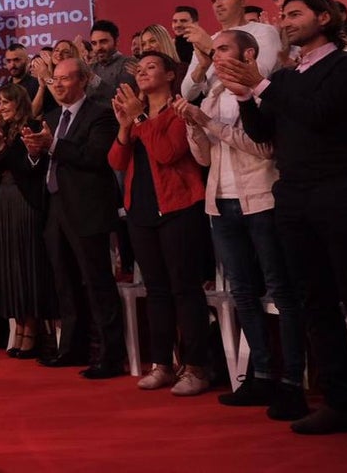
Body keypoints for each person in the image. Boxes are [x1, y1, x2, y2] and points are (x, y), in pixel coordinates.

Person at [218, 0, 347, 453]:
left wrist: (261, 87)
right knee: (315, 304)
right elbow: (265, 133)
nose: (286, 18)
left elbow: (318, 114)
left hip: (341, 194)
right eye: (284, 14)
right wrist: (245, 96)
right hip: (294, 198)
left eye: (296, 12)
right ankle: (340, 403)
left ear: (326, 17)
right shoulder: (286, 76)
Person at [175, 30, 308, 420]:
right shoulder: (214, 94)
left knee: (281, 292)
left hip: (262, 199)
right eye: (212, 51)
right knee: (243, 294)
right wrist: (194, 126)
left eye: (222, 49)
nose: (214, 56)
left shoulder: (263, 91)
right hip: (221, 201)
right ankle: (261, 374)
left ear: (248, 53)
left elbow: (265, 147)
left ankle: (292, 382)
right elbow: (202, 159)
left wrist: (209, 125)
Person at [108, 53, 211, 396]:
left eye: (151, 67)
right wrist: (125, 126)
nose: (142, 72)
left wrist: (138, 116)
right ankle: (162, 365)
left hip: (179, 206)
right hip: (140, 210)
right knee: (156, 291)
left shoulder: (179, 110)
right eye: (139, 69)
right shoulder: (137, 116)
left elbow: (167, 152)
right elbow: (116, 160)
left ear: (170, 74)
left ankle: (196, 367)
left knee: (185, 288)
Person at [23, 58, 126, 378]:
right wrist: (35, 151)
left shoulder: (101, 114)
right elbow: (48, 163)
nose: (58, 85)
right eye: (54, 80)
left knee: (97, 283)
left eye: (65, 79)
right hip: (55, 208)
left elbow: (96, 158)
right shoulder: (52, 117)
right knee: (65, 283)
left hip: (87, 209)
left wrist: (52, 144)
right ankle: (72, 348)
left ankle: (110, 356)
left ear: (83, 80)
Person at [0, 84, 54, 360]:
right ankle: (21, 327)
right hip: (5, 200)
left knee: (27, 263)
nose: (2, 106)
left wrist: (4, 149)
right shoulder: (5, 132)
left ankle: (32, 330)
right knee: (10, 265)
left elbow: (31, 167)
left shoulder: (33, 126)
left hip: (26, 201)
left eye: (6, 101)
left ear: (19, 102)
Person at [181, 0, 281, 101]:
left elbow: (258, 73)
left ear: (243, 0)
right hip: (213, 116)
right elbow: (187, 94)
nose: (218, 4)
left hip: (251, 112)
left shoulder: (265, 31)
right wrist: (202, 67)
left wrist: (210, 49)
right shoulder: (209, 40)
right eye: (214, 0)